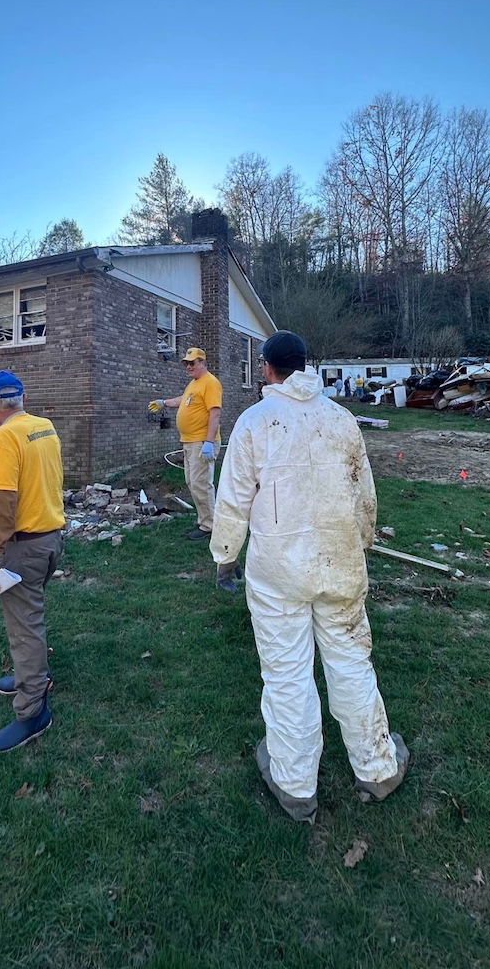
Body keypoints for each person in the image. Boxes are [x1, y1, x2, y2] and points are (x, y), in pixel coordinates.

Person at [209, 331, 409, 824]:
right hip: (340, 564)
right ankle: (378, 768)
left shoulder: (255, 422)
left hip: (278, 573)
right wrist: (359, 541)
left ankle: (296, 785)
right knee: (351, 663)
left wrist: (225, 556)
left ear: (266, 368)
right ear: (305, 366)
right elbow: (365, 494)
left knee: (287, 673)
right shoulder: (341, 419)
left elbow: (233, 498)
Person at [0, 371, 65, 753]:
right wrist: (2, 431)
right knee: (31, 615)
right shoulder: (42, 427)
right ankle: (32, 676)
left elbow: (1, 511)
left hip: (22, 548)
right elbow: (24, 453)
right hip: (50, 541)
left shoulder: (4, 439)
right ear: (23, 397)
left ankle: (32, 710)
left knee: (24, 627)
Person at [149, 346, 222, 540]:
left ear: (203, 363)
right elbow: (184, 400)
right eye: (186, 363)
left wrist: (208, 441)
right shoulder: (194, 383)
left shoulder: (210, 383)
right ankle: (205, 520)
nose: (188, 366)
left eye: (192, 363)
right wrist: (164, 402)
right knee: (193, 482)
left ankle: (210, 526)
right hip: (190, 442)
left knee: (201, 484)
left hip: (201, 442)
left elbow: (215, 413)